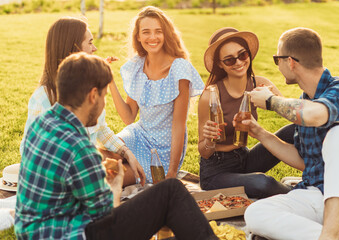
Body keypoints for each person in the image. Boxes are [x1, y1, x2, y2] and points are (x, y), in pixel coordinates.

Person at [15, 53, 218, 240]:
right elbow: (105, 217)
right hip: (73, 234)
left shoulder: (42, 122)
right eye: (104, 96)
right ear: (93, 96)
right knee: (171, 190)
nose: (104, 104)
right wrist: (115, 184)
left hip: (33, 230)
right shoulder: (80, 149)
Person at [244, 27, 339, 240]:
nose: (277, 66)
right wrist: (259, 132)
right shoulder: (305, 100)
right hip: (318, 195)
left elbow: (316, 114)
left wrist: (271, 101)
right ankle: (338, 238)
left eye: (276, 59)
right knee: (256, 213)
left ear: (290, 62)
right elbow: (304, 161)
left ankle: (328, 235)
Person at [20, 17, 145, 187]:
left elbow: (100, 128)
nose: (95, 48)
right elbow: (30, 151)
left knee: (123, 159)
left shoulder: (89, 87)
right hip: (62, 177)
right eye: (90, 42)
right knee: (128, 172)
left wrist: (126, 152)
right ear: (74, 50)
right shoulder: (44, 98)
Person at [109, 6, 205, 182]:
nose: (152, 37)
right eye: (146, 32)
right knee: (103, 156)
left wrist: (172, 172)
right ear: (138, 36)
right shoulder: (138, 65)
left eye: (158, 32)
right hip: (138, 135)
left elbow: (179, 125)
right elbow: (129, 117)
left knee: (114, 177)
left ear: (166, 34)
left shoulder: (179, 68)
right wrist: (109, 80)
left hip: (163, 150)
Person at [198, 27, 295, 199]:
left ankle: (318, 176)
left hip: (245, 158)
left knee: (293, 130)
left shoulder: (260, 84)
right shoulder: (211, 96)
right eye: (229, 60)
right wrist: (209, 140)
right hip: (216, 172)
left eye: (242, 55)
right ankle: (305, 195)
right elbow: (204, 152)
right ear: (220, 64)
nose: (238, 62)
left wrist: (273, 102)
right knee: (263, 183)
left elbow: (294, 113)